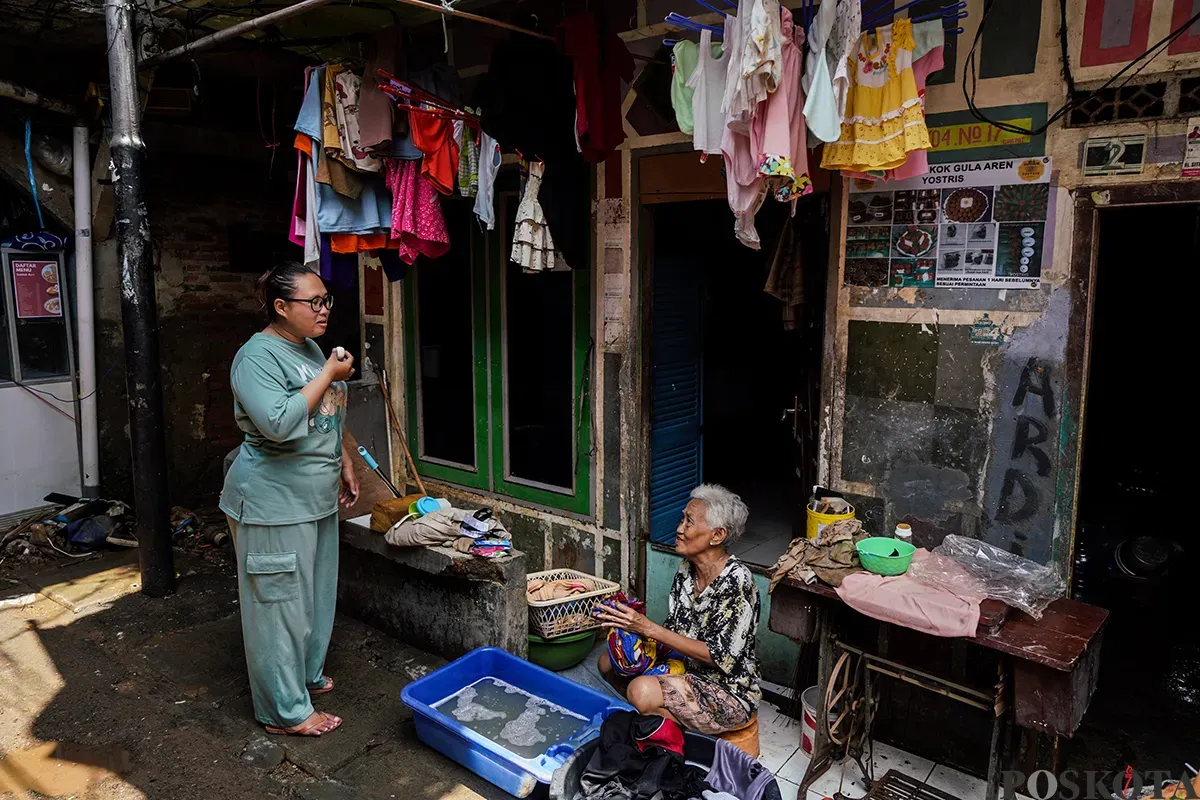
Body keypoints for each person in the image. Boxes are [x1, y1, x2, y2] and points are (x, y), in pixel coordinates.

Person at [220, 262, 360, 737]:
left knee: (315, 598)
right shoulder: (255, 358)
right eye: (313, 302)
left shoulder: (310, 348)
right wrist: (328, 372)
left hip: (314, 497)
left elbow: (325, 411)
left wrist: (345, 460)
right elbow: (278, 423)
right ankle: (284, 713)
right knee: (277, 606)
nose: (324, 310)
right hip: (272, 502)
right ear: (281, 307)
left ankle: (303, 676)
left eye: (326, 301)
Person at [596, 484, 761, 735]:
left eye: (689, 522)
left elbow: (717, 658)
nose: (679, 529)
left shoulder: (737, 582)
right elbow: (675, 631)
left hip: (725, 688)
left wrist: (647, 627)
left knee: (640, 691)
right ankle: (653, 717)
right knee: (608, 661)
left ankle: (677, 735)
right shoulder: (686, 570)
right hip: (684, 667)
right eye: (682, 519)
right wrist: (628, 630)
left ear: (717, 536)